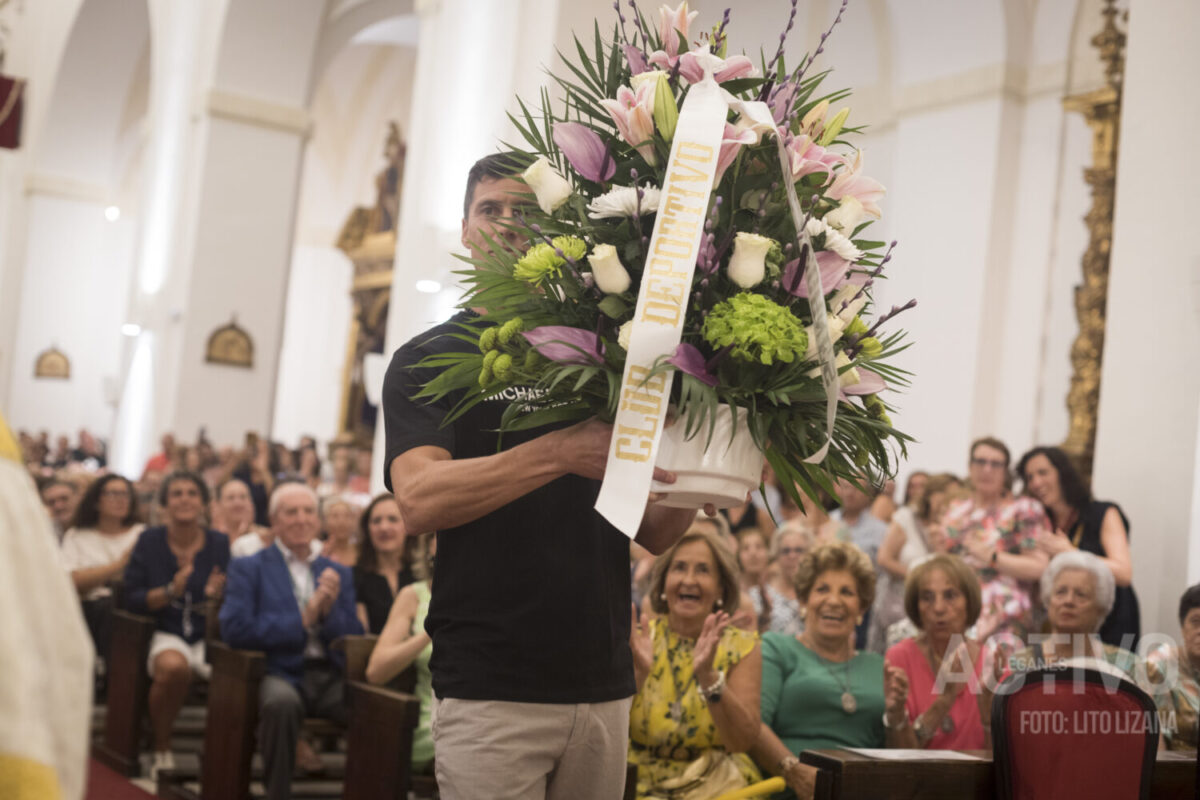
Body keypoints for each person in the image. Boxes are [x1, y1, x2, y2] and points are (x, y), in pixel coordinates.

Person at [382, 152, 697, 799]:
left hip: (600, 679)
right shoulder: (426, 360)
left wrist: (704, 473)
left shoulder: (605, 353)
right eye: (488, 211)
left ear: (553, 230)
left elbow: (655, 532)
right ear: (465, 231)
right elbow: (417, 499)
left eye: (524, 212)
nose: (505, 225)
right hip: (493, 681)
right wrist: (557, 452)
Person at [220, 483, 363, 800]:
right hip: (278, 670)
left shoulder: (337, 571)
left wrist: (329, 612)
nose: (301, 519)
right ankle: (277, 793)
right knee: (280, 704)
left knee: (378, 706)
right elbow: (234, 628)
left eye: (308, 511)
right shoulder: (250, 567)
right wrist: (302, 620)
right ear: (274, 520)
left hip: (329, 674)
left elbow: (352, 634)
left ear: (318, 520)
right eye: (291, 512)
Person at [749, 541, 910, 799]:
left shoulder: (879, 666)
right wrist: (796, 773)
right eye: (822, 589)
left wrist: (896, 715)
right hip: (788, 790)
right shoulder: (776, 647)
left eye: (847, 592)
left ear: (861, 608)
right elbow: (753, 726)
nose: (833, 601)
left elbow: (903, 763)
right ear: (804, 600)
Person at [628, 528, 762, 797]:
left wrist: (709, 678)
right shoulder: (639, 641)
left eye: (703, 570)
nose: (689, 580)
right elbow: (603, 732)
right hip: (638, 784)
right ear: (663, 582)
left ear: (721, 588)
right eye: (679, 568)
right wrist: (639, 675)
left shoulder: (742, 646)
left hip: (716, 785)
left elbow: (742, 741)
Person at [123, 470, 230, 777]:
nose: (185, 499)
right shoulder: (149, 540)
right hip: (163, 630)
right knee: (173, 668)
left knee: (241, 675)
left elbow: (230, 595)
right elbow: (133, 597)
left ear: (204, 503)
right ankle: (162, 746)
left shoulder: (219, 543)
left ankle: (222, 759)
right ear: (165, 503)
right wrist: (171, 590)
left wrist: (214, 596)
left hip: (206, 633)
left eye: (192, 493)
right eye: (177, 493)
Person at [1017, 445, 1139, 647]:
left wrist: (1071, 553)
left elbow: (1124, 573)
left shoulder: (1102, 512)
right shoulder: (1038, 524)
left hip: (1110, 619)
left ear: (1063, 474)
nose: (1036, 482)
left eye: (1043, 472)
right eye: (1029, 477)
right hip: (1061, 623)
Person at [1007, 551, 1160, 698]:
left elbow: (1157, 721)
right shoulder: (1019, 663)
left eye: (1081, 594)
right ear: (1048, 599)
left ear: (1101, 607)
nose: (1068, 601)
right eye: (1060, 592)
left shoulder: (1128, 667)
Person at [942, 437, 1051, 642]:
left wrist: (991, 556)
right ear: (970, 466)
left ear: (1005, 471)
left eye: (996, 464)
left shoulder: (1024, 509)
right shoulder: (956, 511)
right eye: (981, 462)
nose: (987, 469)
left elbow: (1039, 567)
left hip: (1004, 617)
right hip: (955, 611)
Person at [883, 554, 990, 749]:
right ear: (916, 606)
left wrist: (990, 720)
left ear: (970, 602)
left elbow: (1003, 759)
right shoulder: (900, 657)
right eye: (927, 597)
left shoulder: (992, 663)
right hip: (919, 777)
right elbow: (902, 755)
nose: (939, 608)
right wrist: (943, 702)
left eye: (950, 595)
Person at [59, 474, 145, 683]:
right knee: (104, 606)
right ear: (97, 500)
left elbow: (142, 580)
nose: (121, 499)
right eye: (113, 493)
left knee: (116, 606)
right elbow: (72, 582)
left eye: (126, 494)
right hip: (88, 611)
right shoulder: (77, 535)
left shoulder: (141, 534)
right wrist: (120, 564)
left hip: (131, 609)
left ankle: (118, 680)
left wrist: (95, 575)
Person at [365, 532, 437, 775]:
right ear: (428, 547)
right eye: (438, 534)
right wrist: (430, 631)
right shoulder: (414, 595)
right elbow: (376, 671)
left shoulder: (487, 595)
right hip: (431, 719)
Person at [869, 474, 963, 652]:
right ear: (931, 494)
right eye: (945, 493)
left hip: (937, 612)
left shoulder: (957, 528)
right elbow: (883, 558)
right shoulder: (907, 517)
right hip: (898, 605)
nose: (950, 500)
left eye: (957, 496)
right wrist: (919, 577)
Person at [353, 494, 414, 633]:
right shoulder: (355, 577)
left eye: (392, 519)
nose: (384, 527)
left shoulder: (424, 574)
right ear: (367, 529)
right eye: (376, 521)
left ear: (408, 525)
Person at [1153, 583, 1199, 750]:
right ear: (1182, 627)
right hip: (1175, 771)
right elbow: (1154, 745)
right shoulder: (1158, 668)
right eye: (1195, 622)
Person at [747, 520, 810, 636]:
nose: (792, 556)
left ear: (809, 554)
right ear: (776, 555)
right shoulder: (757, 595)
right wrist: (765, 614)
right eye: (786, 551)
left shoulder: (817, 593)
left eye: (799, 550)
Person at [213, 478, 265, 546]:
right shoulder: (211, 538)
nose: (237, 503)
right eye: (230, 498)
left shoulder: (263, 537)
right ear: (219, 505)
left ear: (251, 503)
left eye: (243, 497)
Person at [319, 495, 359, 567]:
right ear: (325, 523)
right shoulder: (318, 551)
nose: (341, 521)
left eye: (347, 515)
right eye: (335, 516)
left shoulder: (361, 552)